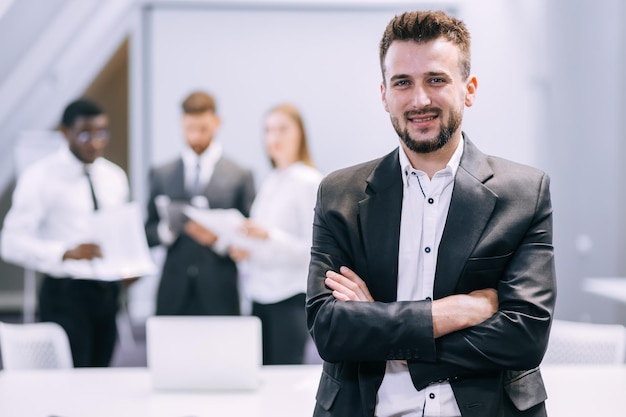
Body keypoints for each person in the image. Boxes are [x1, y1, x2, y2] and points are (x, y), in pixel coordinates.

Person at [306, 10, 556, 417]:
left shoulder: (524, 193)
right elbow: (330, 331)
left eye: (436, 80)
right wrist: (454, 311)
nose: (419, 99)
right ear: (384, 94)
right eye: (403, 82)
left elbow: (524, 336)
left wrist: (382, 331)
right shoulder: (340, 194)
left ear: (468, 89)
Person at [1, 98, 132, 367]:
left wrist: (128, 266)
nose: (95, 142)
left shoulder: (114, 177)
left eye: (101, 133)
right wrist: (63, 252)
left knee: (101, 378)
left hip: (107, 292)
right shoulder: (40, 177)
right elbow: (10, 243)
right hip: (66, 293)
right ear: (65, 133)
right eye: (85, 134)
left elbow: (120, 234)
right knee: (65, 381)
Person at [145, 90, 255, 316]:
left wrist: (219, 240)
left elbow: (249, 236)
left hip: (219, 291)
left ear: (217, 122)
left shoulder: (240, 175)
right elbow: (147, 232)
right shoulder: (161, 174)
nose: (195, 137)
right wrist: (167, 231)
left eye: (203, 129)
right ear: (181, 124)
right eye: (189, 129)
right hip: (173, 292)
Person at [229, 104, 323, 365]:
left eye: (283, 129)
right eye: (268, 130)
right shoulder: (271, 180)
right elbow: (265, 244)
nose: (274, 138)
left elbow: (314, 251)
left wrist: (268, 236)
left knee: (281, 385)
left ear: (300, 134)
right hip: (259, 296)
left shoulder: (308, 181)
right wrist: (247, 250)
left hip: (289, 299)